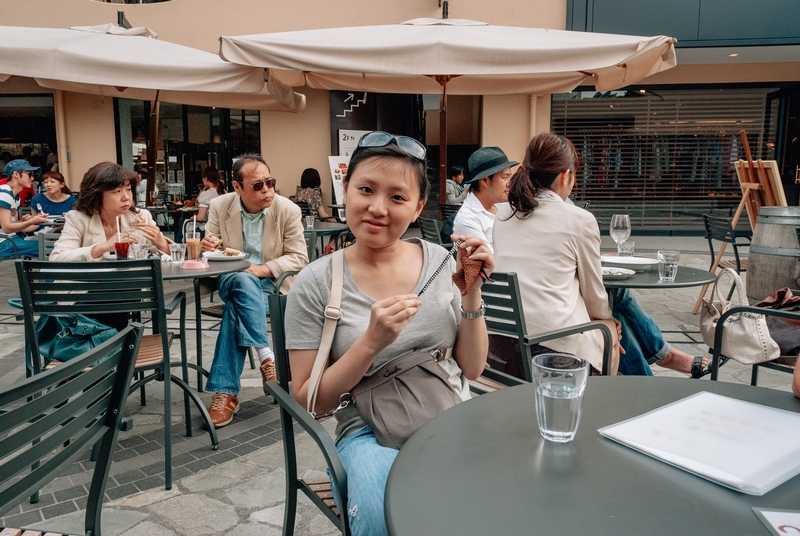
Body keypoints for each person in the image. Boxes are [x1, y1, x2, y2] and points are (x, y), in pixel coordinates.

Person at [285, 131, 492, 536]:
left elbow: (471, 367)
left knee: (497, 499)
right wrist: (370, 343)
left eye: (397, 198)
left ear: (417, 208)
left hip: (448, 409)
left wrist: (472, 293)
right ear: (345, 190)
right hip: (366, 430)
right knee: (386, 518)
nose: (378, 208)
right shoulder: (315, 282)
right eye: (366, 189)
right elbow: (312, 402)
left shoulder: (440, 261)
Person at [492, 133, 623, 375]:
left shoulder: (501, 215)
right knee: (608, 327)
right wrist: (608, 322)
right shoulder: (580, 220)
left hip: (500, 350)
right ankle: (597, 404)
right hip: (554, 356)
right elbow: (596, 301)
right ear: (565, 175)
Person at [199, 153, 308, 428]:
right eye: (258, 186)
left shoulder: (288, 210)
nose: (267, 190)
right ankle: (267, 356)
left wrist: (259, 269)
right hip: (231, 278)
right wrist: (207, 248)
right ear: (237, 188)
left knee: (236, 309)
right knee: (241, 281)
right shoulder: (220, 206)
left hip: (272, 282)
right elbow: (211, 251)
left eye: (270, 182)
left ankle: (226, 394)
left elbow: (299, 258)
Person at [50, 162, 171, 262]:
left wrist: (161, 243)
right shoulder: (78, 219)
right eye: (117, 191)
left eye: (128, 190)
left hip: (133, 286)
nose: (126, 197)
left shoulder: (140, 217)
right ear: (96, 195)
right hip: (90, 288)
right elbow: (57, 259)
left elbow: (169, 258)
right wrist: (103, 247)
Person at [452, 146, 518, 245]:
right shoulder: (467, 220)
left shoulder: (503, 206)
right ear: (485, 181)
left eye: (510, 177)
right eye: (505, 177)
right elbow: (489, 258)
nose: (510, 183)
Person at [0, 159, 48, 258]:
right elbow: (7, 228)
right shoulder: (4, 193)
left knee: (51, 244)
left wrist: (31, 221)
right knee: (49, 247)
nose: (32, 178)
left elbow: (14, 224)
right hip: (3, 242)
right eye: (29, 174)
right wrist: (32, 221)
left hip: (11, 239)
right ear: (16, 174)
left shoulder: (16, 196)